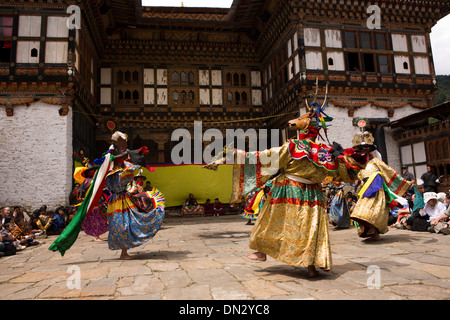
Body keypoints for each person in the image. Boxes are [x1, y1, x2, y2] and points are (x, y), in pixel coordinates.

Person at [207, 109, 370, 277]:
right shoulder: (326, 153)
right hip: (314, 195)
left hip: (288, 190)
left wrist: (237, 154)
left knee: (270, 222)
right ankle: (311, 265)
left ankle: (262, 252)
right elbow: (343, 172)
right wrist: (359, 158)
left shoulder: (295, 146)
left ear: (304, 130)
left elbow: (266, 157)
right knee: (311, 229)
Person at [105, 132, 165, 260]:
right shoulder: (115, 172)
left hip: (119, 199)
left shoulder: (116, 170)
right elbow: (125, 177)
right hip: (119, 200)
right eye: (121, 143)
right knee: (123, 225)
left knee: (127, 223)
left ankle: (124, 252)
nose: (124, 145)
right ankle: (123, 253)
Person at [350, 137, 412, 241]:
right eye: (361, 150)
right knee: (360, 212)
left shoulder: (375, 161)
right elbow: (357, 175)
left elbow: (388, 171)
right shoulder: (361, 165)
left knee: (373, 212)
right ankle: (372, 232)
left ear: (369, 150)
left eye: (365, 149)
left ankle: (374, 230)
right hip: (365, 190)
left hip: (377, 190)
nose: (363, 152)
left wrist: (404, 183)